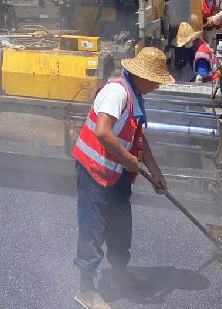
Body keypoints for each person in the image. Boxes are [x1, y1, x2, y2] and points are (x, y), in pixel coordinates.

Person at [72, 47, 172, 309]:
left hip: (116, 172)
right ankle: (86, 289)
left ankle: (119, 275)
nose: (158, 86)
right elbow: (102, 131)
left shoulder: (135, 94)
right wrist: (129, 160)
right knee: (93, 227)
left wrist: (155, 170)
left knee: (120, 224)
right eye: (156, 81)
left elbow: (137, 136)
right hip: (94, 170)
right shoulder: (117, 92)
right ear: (142, 76)